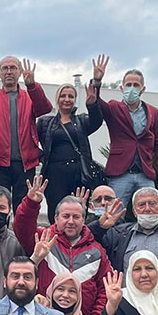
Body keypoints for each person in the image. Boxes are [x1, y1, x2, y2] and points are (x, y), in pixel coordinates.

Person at [16, 178, 112, 315]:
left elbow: (105, 290)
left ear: (84, 220)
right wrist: (31, 203)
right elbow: (22, 228)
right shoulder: (44, 238)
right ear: (56, 218)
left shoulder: (97, 251)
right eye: (66, 216)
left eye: (76, 217)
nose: (71, 221)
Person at [89, 56, 158, 205]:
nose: (132, 88)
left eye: (136, 85)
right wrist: (97, 82)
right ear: (122, 88)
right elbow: (95, 100)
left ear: (143, 89)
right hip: (121, 173)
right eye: (128, 84)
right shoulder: (114, 108)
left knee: (151, 210)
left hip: (145, 173)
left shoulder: (153, 112)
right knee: (114, 213)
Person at [90, 187, 158, 293]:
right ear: (134, 212)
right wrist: (100, 227)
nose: (147, 209)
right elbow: (85, 242)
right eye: (141, 205)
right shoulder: (118, 235)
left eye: (152, 204)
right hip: (127, 304)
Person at [0, 56, 51, 207]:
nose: (9, 72)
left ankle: (22, 232)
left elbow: (44, 108)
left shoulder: (30, 96)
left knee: (23, 207)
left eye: (13, 68)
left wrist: (32, 86)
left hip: (25, 164)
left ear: (20, 72)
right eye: (5, 68)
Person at [36, 82, 104, 220]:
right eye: (63, 96)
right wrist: (42, 157)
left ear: (75, 100)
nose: (67, 99)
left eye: (71, 96)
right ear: (57, 99)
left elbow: (96, 121)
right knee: (56, 210)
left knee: (77, 209)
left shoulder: (82, 120)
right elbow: (31, 142)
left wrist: (92, 105)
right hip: (54, 173)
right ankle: (56, 239)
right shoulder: (45, 123)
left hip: (78, 172)